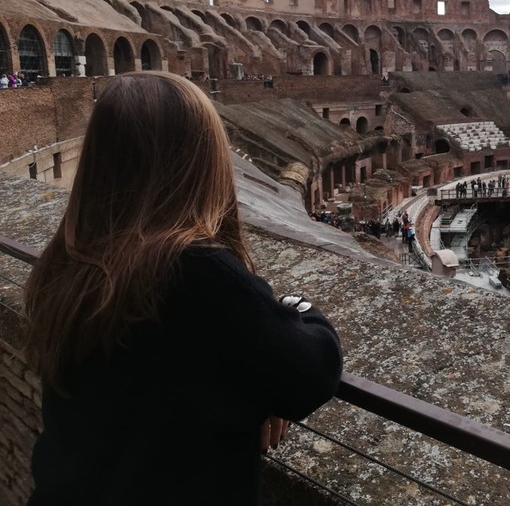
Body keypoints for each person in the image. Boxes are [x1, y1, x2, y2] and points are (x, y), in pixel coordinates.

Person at [23, 72, 343, 505]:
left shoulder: (66, 262)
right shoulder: (191, 270)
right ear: (198, 161)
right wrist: (298, 308)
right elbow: (312, 371)